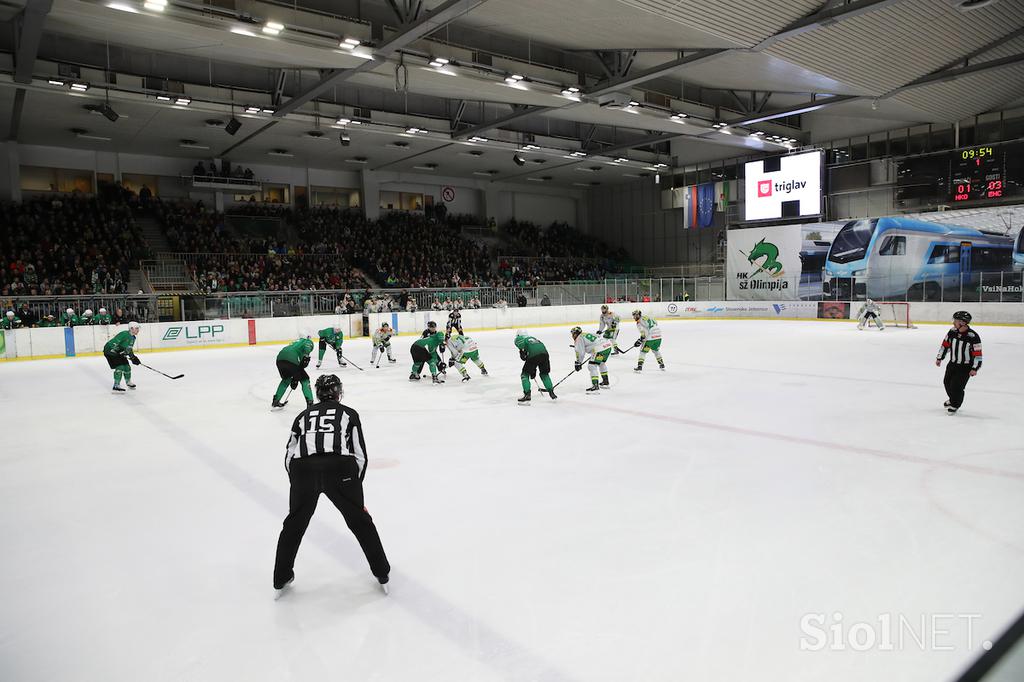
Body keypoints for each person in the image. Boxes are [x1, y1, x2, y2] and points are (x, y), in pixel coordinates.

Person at [273, 374, 390, 594]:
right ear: (338, 392)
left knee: (294, 525)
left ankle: (281, 576)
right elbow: (360, 455)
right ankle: (381, 571)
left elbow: (290, 454)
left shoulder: (302, 415)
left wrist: (297, 483)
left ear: (317, 393)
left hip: (303, 470)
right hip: (340, 469)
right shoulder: (349, 413)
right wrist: (356, 494)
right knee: (361, 522)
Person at [935, 310, 982, 415]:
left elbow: (978, 354)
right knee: (947, 382)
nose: (953, 323)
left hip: (965, 367)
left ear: (963, 322)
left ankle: (955, 404)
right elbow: (945, 345)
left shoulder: (973, 336)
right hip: (952, 364)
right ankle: (953, 399)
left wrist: (975, 368)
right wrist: (940, 357)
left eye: (955, 321)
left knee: (957, 386)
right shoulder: (952, 332)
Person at [273, 333, 315, 408]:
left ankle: (276, 400)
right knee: (305, 380)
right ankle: (310, 403)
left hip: (280, 359)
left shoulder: (295, 342)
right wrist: (296, 379)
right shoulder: (306, 341)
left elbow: (300, 365)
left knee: (286, 379)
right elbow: (307, 348)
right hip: (291, 359)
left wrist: (295, 378)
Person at [514, 330, 556, 404]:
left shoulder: (520, 339)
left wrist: (532, 370)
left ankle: (527, 394)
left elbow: (524, 357)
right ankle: (551, 392)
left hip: (534, 355)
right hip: (545, 354)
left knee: (524, 375)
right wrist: (533, 370)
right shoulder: (534, 338)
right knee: (544, 374)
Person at [103, 321, 142, 392]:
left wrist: (133, 357)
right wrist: (117, 351)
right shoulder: (124, 334)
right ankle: (116, 385)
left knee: (127, 367)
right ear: (131, 328)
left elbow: (129, 348)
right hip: (109, 351)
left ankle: (128, 382)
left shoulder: (133, 338)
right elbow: (113, 343)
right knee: (120, 367)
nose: (138, 330)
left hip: (118, 352)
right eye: (137, 328)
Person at [571, 326, 613, 393]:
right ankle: (605, 382)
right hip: (607, 346)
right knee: (601, 363)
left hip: (599, 349)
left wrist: (578, 362)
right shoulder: (585, 334)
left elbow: (580, 353)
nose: (572, 336)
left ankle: (595, 386)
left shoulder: (579, 338)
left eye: (573, 334)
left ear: (575, 334)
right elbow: (597, 339)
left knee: (592, 366)